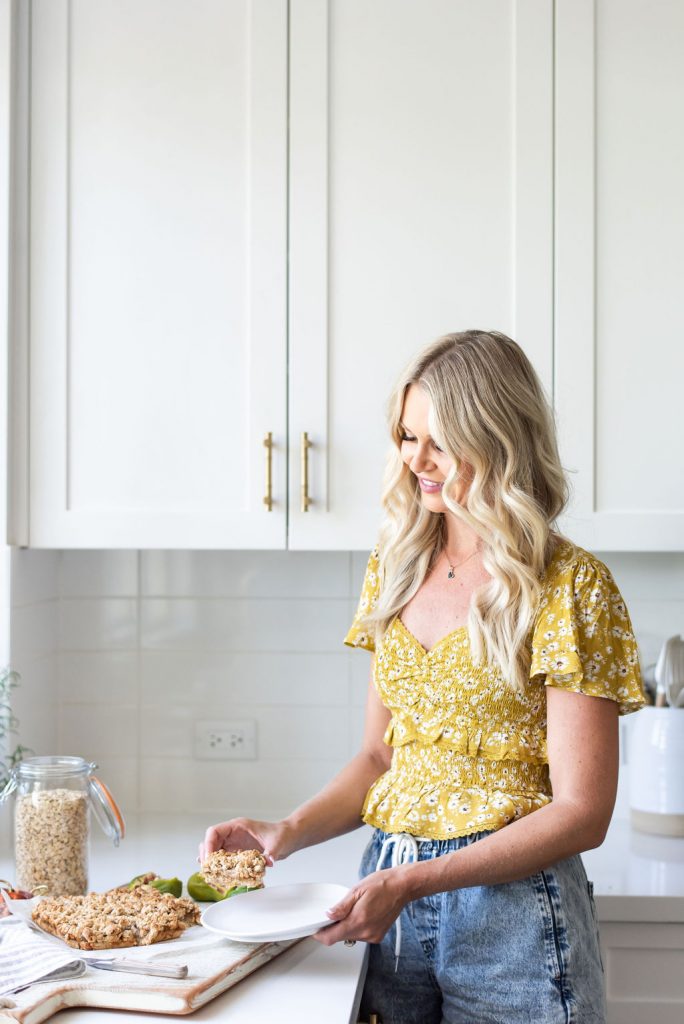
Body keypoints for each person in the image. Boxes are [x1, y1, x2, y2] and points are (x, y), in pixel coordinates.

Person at [199, 331, 645, 1023]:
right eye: (408, 437)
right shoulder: (397, 564)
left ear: (499, 440)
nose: (416, 460)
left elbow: (582, 813)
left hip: (513, 925)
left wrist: (416, 881)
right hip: (391, 907)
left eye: (441, 442)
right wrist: (286, 830)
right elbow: (382, 758)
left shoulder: (570, 586)